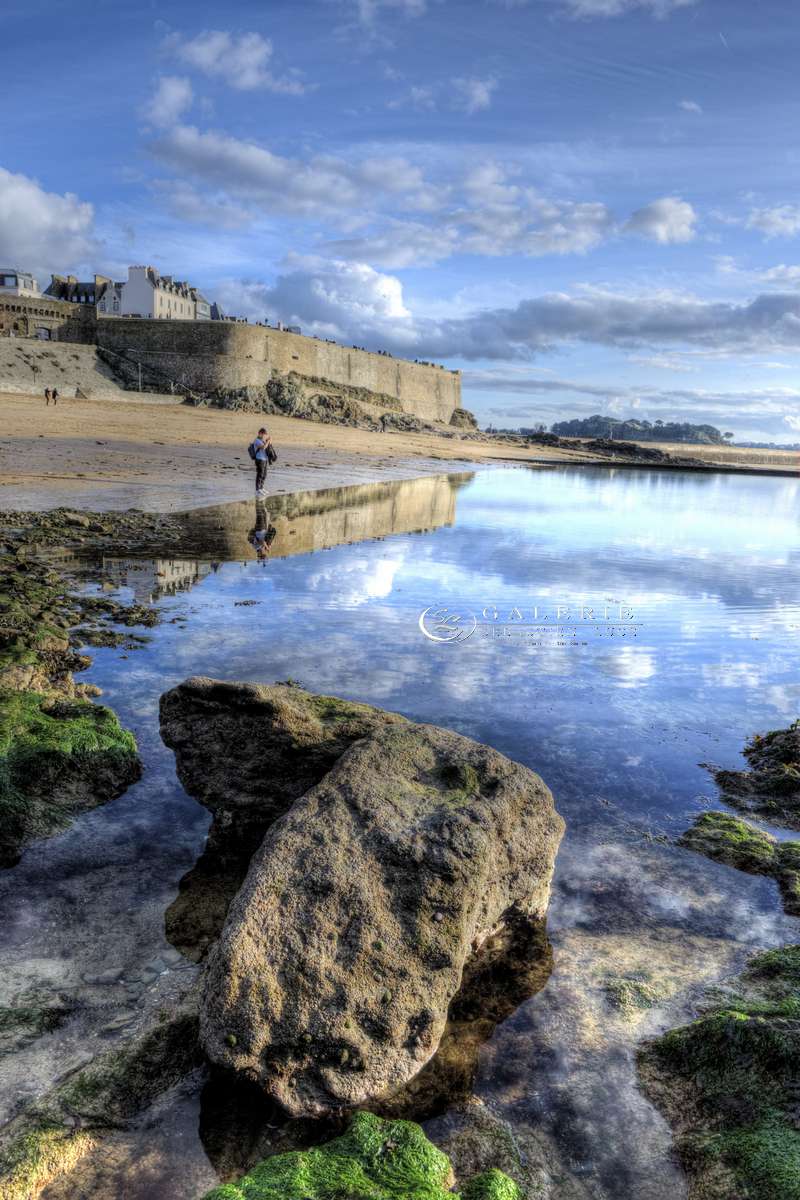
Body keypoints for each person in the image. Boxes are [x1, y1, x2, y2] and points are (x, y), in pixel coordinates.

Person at [252, 426, 271, 498]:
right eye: (263, 434)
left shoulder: (262, 440)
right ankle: (257, 490)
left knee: (264, 474)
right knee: (260, 474)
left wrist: (268, 442)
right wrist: (267, 442)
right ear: (259, 433)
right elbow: (263, 447)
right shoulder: (257, 440)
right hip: (259, 459)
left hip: (265, 459)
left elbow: (267, 447)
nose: (264, 436)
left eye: (265, 434)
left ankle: (261, 488)